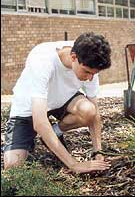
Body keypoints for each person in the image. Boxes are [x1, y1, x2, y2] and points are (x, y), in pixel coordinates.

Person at [3, 32, 112, 173]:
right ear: (74, 57)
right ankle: (36, 143)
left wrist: (98, 152)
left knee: (88, 110)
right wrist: (74, 165)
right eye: (87, 72)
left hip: (62, 101)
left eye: (94, 74)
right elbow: (40, 122)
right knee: (13, 167)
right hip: (29, 108)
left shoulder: (89, 57)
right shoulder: (42, 60)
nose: (90, 78)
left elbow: (95, 115)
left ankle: (54, 133)